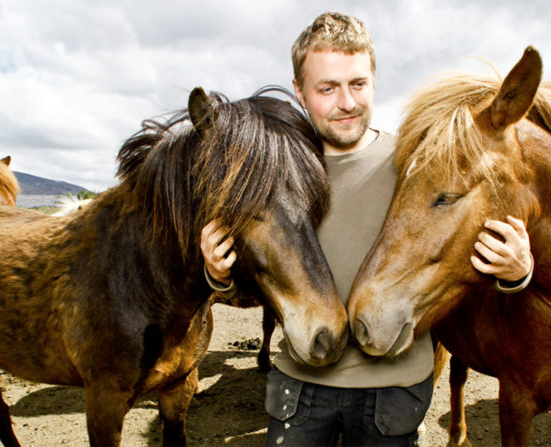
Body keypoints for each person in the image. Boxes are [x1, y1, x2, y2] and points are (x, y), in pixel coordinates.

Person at [200, 11, 533, 446]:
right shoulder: (275, 169)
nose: (347, 102)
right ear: (299, 91)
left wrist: (517, 271)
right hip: (299, 387)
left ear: (374, 81)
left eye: (358, 84)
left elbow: (458, 268)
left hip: (393, 392)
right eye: (327, 88)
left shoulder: (420, 164)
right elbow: (258, 268)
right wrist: (217, 271)